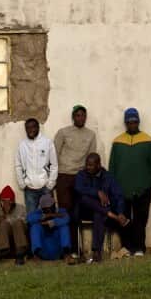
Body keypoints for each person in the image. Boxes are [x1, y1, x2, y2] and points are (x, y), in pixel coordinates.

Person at [109, 108, 151, 256]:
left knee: (140, 220)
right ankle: (127, 247)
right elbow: (112, 167)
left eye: (135, 121)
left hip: (142, 190)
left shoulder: (148, 140)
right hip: (121, 191)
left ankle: (139, 248)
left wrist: (148, 185)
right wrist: (114, 189)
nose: (132, 124)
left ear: (138, 122)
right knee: (123, 220)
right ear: (125, 122)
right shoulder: (117, 142)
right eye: (129, 121)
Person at [53, 104, 97, 260]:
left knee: (77, 212)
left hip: (80, 177)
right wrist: (56, 175)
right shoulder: (63, 132)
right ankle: (67, 249)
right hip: (64, 175)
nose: (81, 118)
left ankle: (77, 249)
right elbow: (54, 154)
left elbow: (92, 157)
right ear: (73, 117)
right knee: (65, 212)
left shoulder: (91, 135)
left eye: (83, 115)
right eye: (78, 115)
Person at [74, 152, 129, 263]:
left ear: (98, 165)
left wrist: (121, 212)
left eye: (91, 165)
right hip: (84, 210)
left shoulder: (108, 177)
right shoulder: (81, 175)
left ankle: (96, 251)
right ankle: (111, 215)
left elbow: (118, 195)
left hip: (100, 212)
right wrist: (97, 192)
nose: (87, 167)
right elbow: (78, 188)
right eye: (87, 165)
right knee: (84, 198)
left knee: (99, 213)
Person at [16, 117, 58, 215]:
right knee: (32, 217)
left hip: (45, 187)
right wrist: (22, 184)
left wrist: (50, 184)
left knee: (50, 217)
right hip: (29, 189)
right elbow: (18, 165)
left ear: (38, 128)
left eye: (33, 127)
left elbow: (54, 165)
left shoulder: (47, 143)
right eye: (28, 128)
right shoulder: (22, 145)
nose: (30, 130)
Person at [28, 193, 72, 261]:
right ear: (42, 209)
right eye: (46, 209)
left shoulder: (61, 211)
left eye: (51, 207)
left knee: (64, 227)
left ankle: (67, 254)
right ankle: (36, 255)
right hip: (43, 250)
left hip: (59, 250)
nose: (49, 210)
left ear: (54, 205)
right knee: (35, 227)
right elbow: (29, 218)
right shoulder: (38, 213)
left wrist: (51, 222)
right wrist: (45, 216)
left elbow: (67, 219)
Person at [0, 185, 30, 264]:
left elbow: (25, 222)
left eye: (8, 201)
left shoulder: (21, 208)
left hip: (20, 233)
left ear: (12, 201)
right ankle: (0, 251)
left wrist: (7, 216)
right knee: (3, 224)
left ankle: (20, 253)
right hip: (7, 236)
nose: (5, 203)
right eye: (3, 201)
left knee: (17, 223)